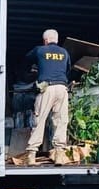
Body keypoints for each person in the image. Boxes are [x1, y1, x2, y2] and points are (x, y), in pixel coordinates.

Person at [24, 29, 71, 165]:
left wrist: (36, 69)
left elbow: (26, 61)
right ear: (56, 39)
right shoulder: (64, 52)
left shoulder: (39, 50)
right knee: (60, 121)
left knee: (39, 120)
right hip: (62, 88)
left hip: (47, 88)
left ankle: (31, 155)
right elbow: (67, 70)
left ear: (45, 40)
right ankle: (59, 155)